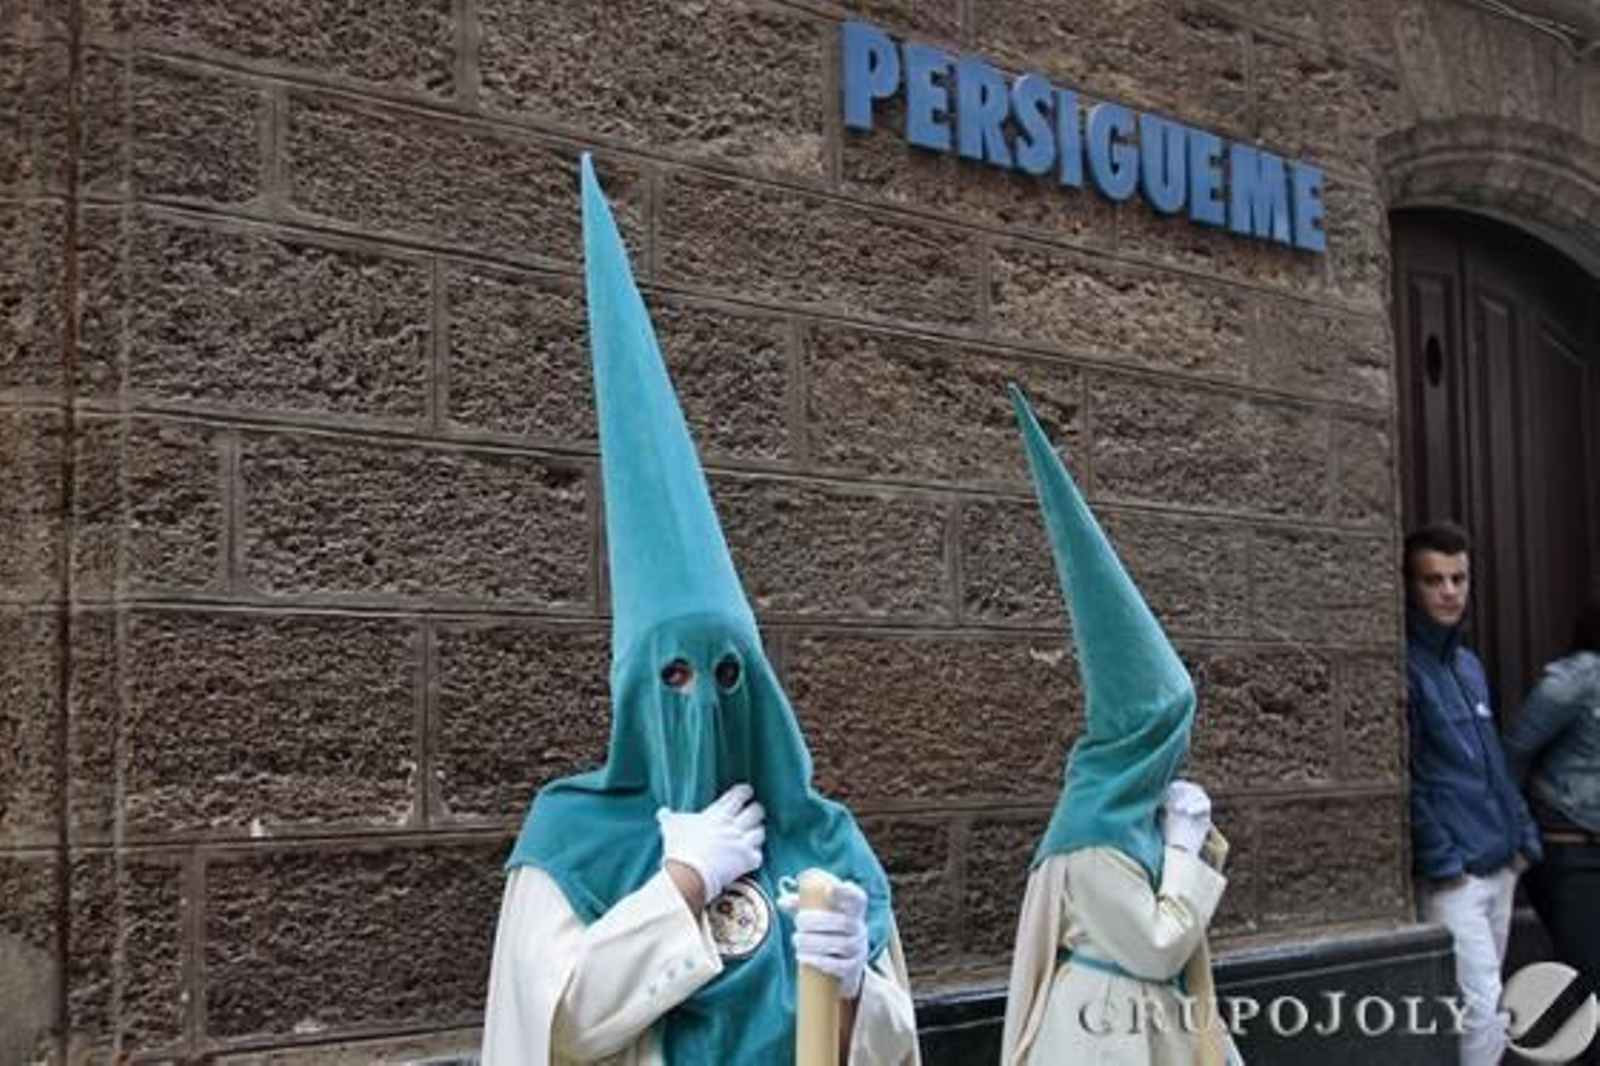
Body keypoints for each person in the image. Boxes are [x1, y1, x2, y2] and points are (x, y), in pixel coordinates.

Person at [480, 157, 919, 1065]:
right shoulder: (571, 840)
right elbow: (553, 1029)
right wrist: (679, 882)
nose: (701, 701)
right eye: (673, 676)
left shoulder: (823, 840)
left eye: (725, 674)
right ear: (635, 691)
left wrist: (852, 993)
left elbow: (891, 1047)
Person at [999, 385, 1239, 1066]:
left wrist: (1190, 844)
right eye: (1170, 728)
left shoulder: (1123, 815)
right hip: (1102, 1036)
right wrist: (1187, 852)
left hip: (1146, 1020)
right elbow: (1155, 943)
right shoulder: (1094, 835)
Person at [1403, 521, 1542, 1066]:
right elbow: (1407, 775)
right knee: (1481, 1008)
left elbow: (1492, 760)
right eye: (1433, 579)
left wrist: (1523, 838)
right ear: (1410, 586)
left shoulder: (1467, 665)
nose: (1449, 591)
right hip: (1455, 875)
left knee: (1488, 1004)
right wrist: (1444, 860)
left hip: (1501, 862)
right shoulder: (1407, 667)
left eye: (1458, 578)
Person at [1505, 597, 1600, 1057]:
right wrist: (1518, 833)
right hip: (1569, 853)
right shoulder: (1574, 679)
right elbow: (1513, 754)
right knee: (1591, 979)